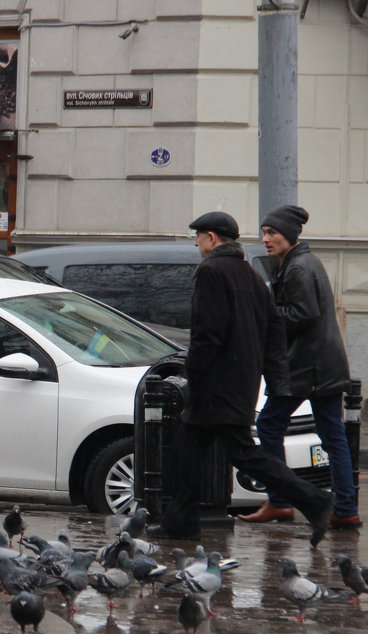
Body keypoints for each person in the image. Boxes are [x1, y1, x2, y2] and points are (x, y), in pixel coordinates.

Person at [148, 211, 333, 546]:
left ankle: (314, 500)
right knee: (188, 449)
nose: (196, 243)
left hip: (217, 383)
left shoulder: (211, 270)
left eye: (198, 237)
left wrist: (194, 373)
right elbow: (274, 329)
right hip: (240, 381)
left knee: (243, 454)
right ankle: (182, 521)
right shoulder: (248, 272)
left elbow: (208, 332)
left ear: (212, 238)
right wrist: (275, 380)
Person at [239, 205, 359, 528]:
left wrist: (266, 315)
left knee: (268, 425)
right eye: (264, 232)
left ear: (289, 236)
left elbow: (303, 315)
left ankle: (280, 501)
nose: (266, 239)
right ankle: (346, 508)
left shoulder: (298, 268)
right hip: (324, 366)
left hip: (309, 368)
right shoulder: (303, 262)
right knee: (333, 437)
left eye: (272, 233)